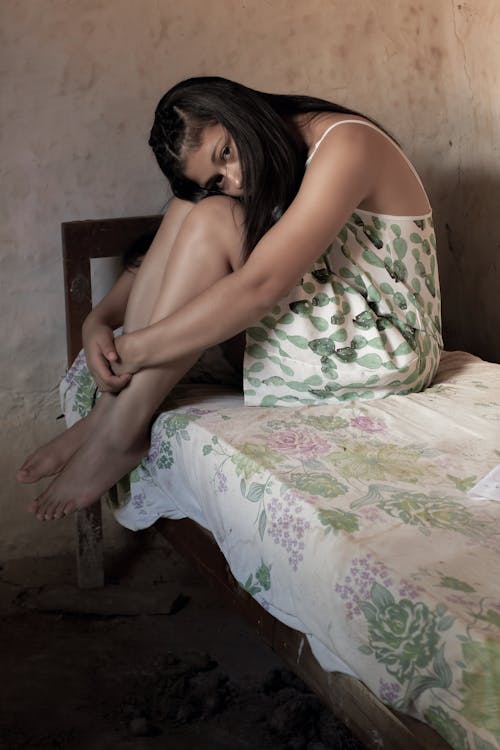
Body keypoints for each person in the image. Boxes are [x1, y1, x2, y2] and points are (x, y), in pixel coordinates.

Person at [17, 76, 442, 521]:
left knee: (213, 215)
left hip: (390, 345)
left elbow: (260, 287)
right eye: (220, 177)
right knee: (194, 206)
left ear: (238, 111)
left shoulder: (347, 142)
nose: (236, 179)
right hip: (337, 320)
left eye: (226, 152)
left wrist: (134, 350)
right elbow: (163, 257)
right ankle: (109, 414)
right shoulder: (263, 164)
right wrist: (98, 320)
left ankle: (121, 430)